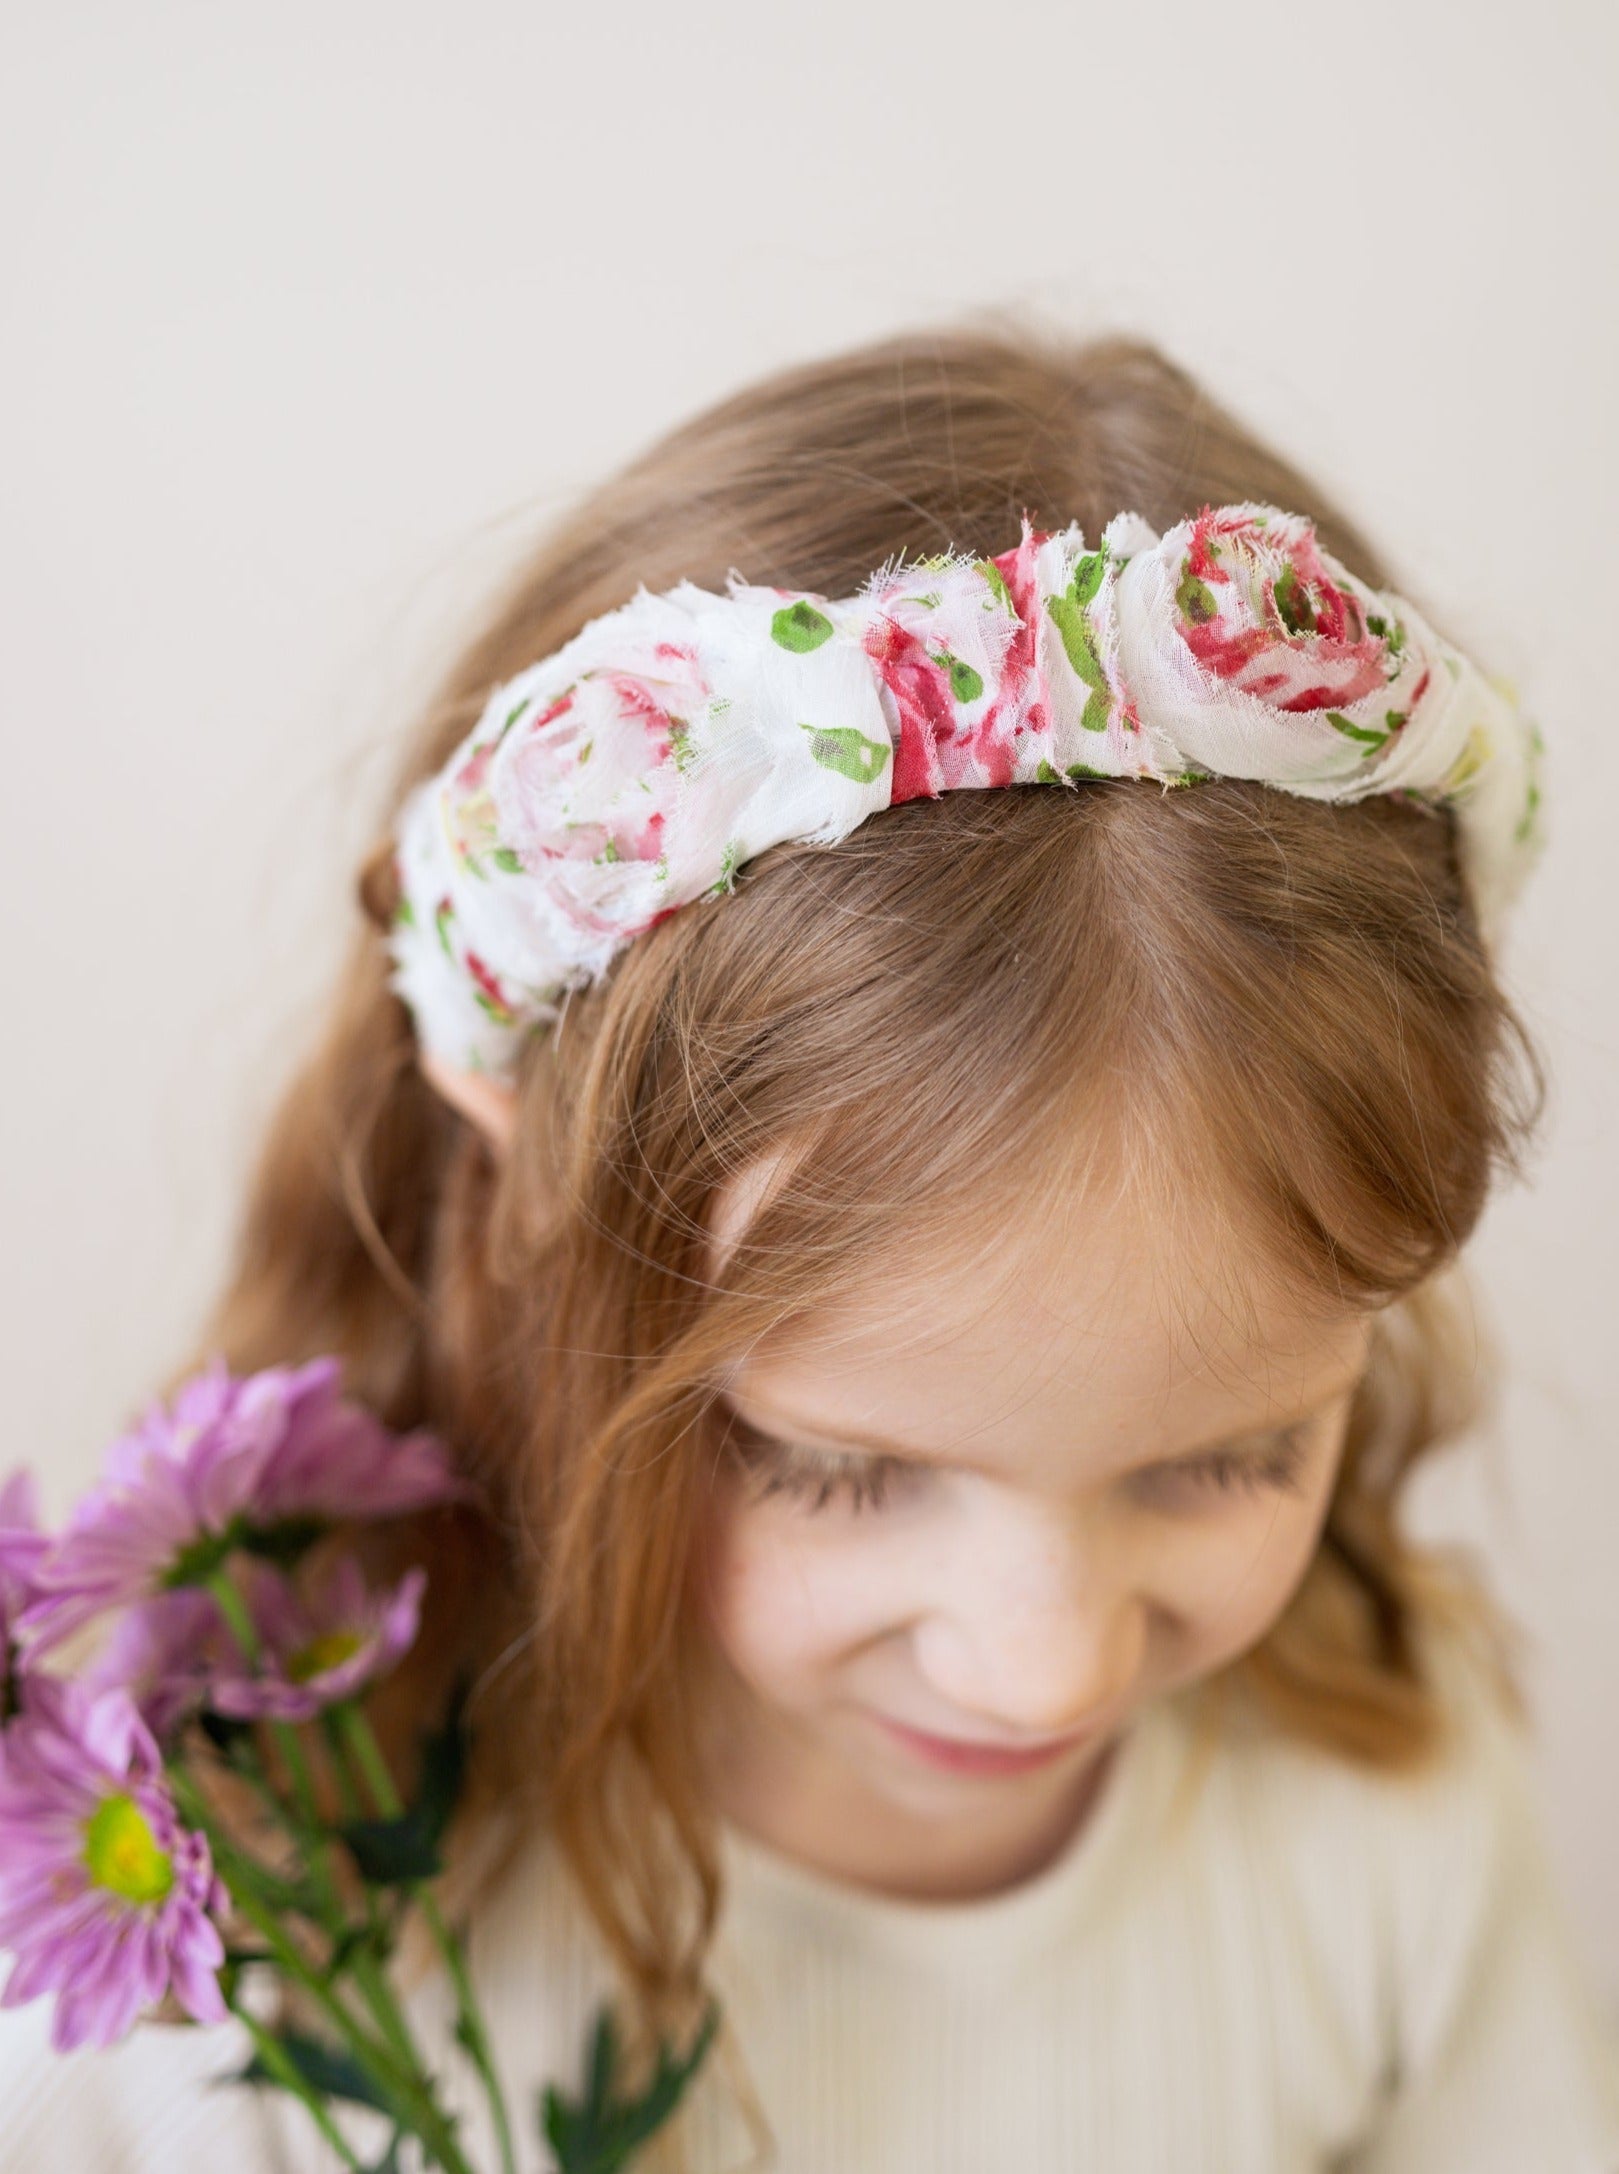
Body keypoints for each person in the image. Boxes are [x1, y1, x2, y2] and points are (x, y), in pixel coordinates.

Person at [3, 322, 1618, 2173]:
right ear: (529, 1194)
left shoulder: (1385, 1827)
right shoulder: (227, 1987)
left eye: (1232, 1455)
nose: (1047, 1669)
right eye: (835, 1467)